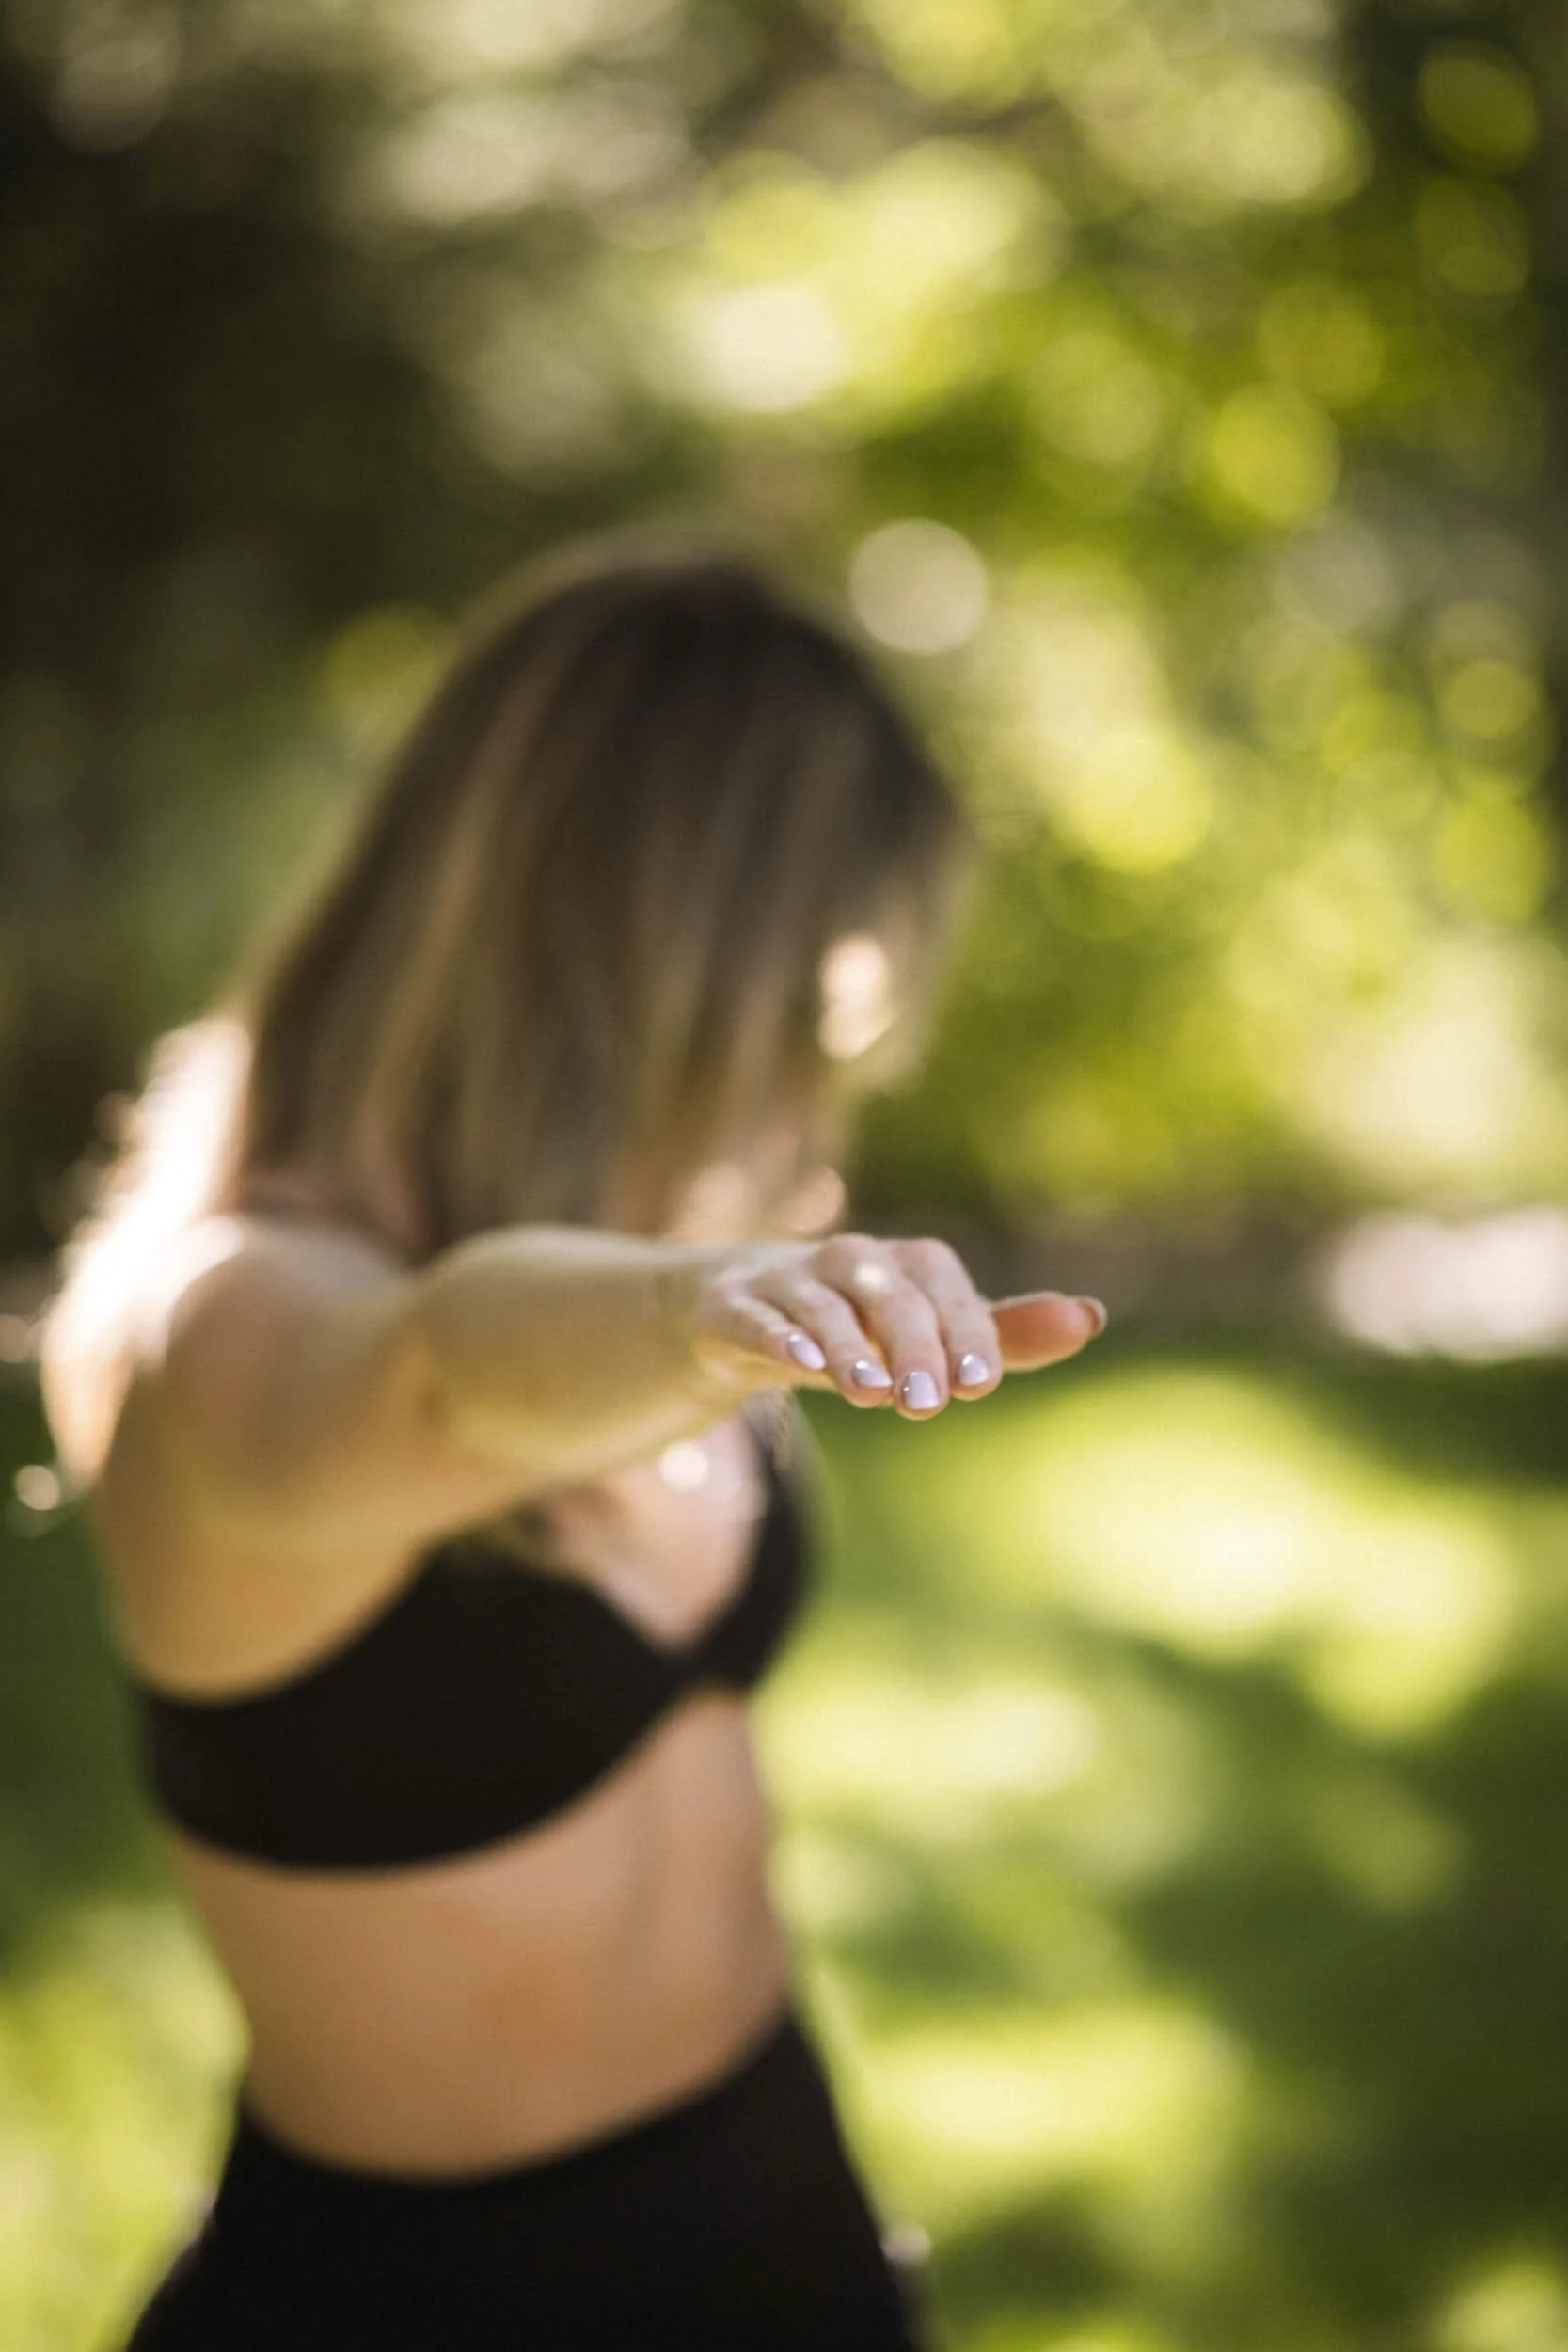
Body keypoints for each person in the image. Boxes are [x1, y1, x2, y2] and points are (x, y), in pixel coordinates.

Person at [38, 526, 1109, 2351]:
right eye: (821, 985)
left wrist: (704, 1287)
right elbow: (452, 1363)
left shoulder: (654, 1238)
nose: (831, 1052)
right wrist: (696, 1303)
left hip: (788, 2202)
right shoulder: (222, 1316)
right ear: (672, 952)